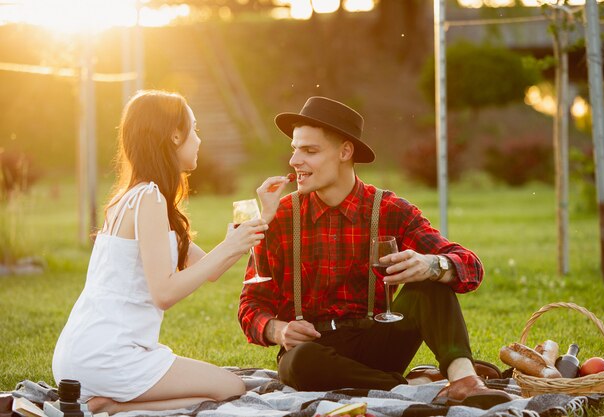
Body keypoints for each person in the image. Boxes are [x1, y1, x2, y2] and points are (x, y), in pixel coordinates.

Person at [238, 96, 511, 409]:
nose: (294, 161)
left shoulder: (390, 210)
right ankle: (415, 386)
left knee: (431, 285)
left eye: (309, 151)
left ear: (345, 152)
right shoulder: (281, 216)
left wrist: (431, 265)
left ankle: (464, 379)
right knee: (300, 363)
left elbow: (470, 267)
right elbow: (251, 304)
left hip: (379, 343)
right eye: (294, 149)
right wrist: (278, 329)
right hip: (313, 351)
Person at [52, 90, 266, 414]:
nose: (198, 139)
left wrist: (243, 235)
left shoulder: (134, 197)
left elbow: (211, 270)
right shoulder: (149, 198)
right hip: (108, 355)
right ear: (175, 135)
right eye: (194, 129)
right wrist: (229, 246)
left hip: (77, 353)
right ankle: (114, 407)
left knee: (227, 386)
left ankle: (112, 403)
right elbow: (163, 293)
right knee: (232, 388)